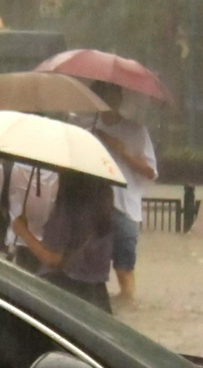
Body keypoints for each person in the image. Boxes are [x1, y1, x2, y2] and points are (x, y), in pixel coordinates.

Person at [90, 85, 156, 304]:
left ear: (119, 99)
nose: (108, 102)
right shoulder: (88, 130)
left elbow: (150, 172)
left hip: (125, 207)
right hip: (93, 207)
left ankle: (128, 305)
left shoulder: (136, 131)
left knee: (124, 267)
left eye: (112, 96)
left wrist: (122, 151)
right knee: (89, 268)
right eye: (103, 97)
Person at [13, 171, 116, 312]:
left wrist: (23, 231)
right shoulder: (106, 205)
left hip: (66, 294)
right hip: (98, 296)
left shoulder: (68, 206)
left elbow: (52, 259)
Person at [0, 159, 58, 255]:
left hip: (15, 247)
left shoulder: (7, 168)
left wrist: (2, 217)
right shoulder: (60, 175)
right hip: (50, 249)